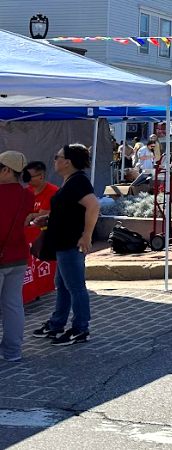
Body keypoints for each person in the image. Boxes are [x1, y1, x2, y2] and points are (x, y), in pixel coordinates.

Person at [31, 144, 101, 345]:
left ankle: (80, 329)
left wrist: (86, 235)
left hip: (71, 242)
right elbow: (68, 210)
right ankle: (56, 324)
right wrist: (48, 219)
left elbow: (93, 206)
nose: (55, 160)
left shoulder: (78, 182)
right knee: (62, 285)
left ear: (67, 162)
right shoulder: (71, 181)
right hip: (63, 242)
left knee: (75, 287)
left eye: (57, 156)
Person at [0, 152, 32, 362]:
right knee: (13, 306)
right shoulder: (27, 195)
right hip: (18, 255)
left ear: (7, 170)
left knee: (12, 305)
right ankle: (12, 352)